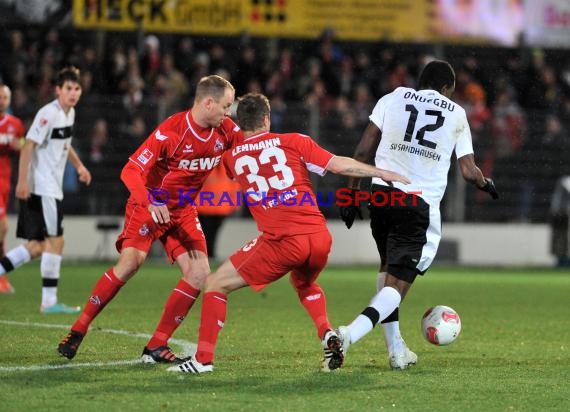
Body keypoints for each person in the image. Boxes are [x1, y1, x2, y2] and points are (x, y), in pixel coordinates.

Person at [167, 93, 410, 374]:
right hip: (318, 237)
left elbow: (223, 160)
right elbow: (338, 165)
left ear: (240, 122)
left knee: (215, 285)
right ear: (267, 119)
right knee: (305, 283)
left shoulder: (232, 157)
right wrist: (382, 173)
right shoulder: (296, 141)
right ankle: (327, 333)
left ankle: (203, 360)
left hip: (282, 241)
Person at [57, 75, 242, 363]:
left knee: (199, 273)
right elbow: (130, 170)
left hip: (183, 210)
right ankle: (79, 328)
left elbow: (247, 149)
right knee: (131, 263)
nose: (228, 113)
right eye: (225, 106)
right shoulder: (172, 131)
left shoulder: (226, 130)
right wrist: (150, 199)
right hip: (150, 204)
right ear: (208, 102)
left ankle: (156, 345)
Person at [337, 60, 499, 369]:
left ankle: (396, 351)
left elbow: (361, 150)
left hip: (380, 196)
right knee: (397, 286)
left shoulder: (393, 97)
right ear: (447, 89)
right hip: (417, 204)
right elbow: (468, 171)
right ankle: (348, 334)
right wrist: (485, 183)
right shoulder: (455, 113)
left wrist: (350, 194)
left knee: (387, 270)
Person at [0, 67, 92, 312]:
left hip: (49, 188)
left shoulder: (69, 114)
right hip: (43, 187)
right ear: (58, 90)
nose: (73, 93)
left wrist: (80, 166)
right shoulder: (48, 113)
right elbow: (28, 145)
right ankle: (49, 302)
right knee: (56, 241)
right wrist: (22, 182)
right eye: (69, 89)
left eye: (77, 89)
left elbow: (65, 145)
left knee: (38, 246)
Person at [0, 84, 25, 294]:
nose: (2, 100)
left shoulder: (15, 124)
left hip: (4, 183)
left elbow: (23, 148)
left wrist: (21, 145)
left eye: (6, 97)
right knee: (3, 226)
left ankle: (2, 277)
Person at [196, 165, 242, 260]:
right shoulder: (227, 166)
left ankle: (208, 255)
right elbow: (235, 186)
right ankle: (209, 255)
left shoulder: (208, 164)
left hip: (210, 207)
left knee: (208, 234)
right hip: (215, 207)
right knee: (209, 234)